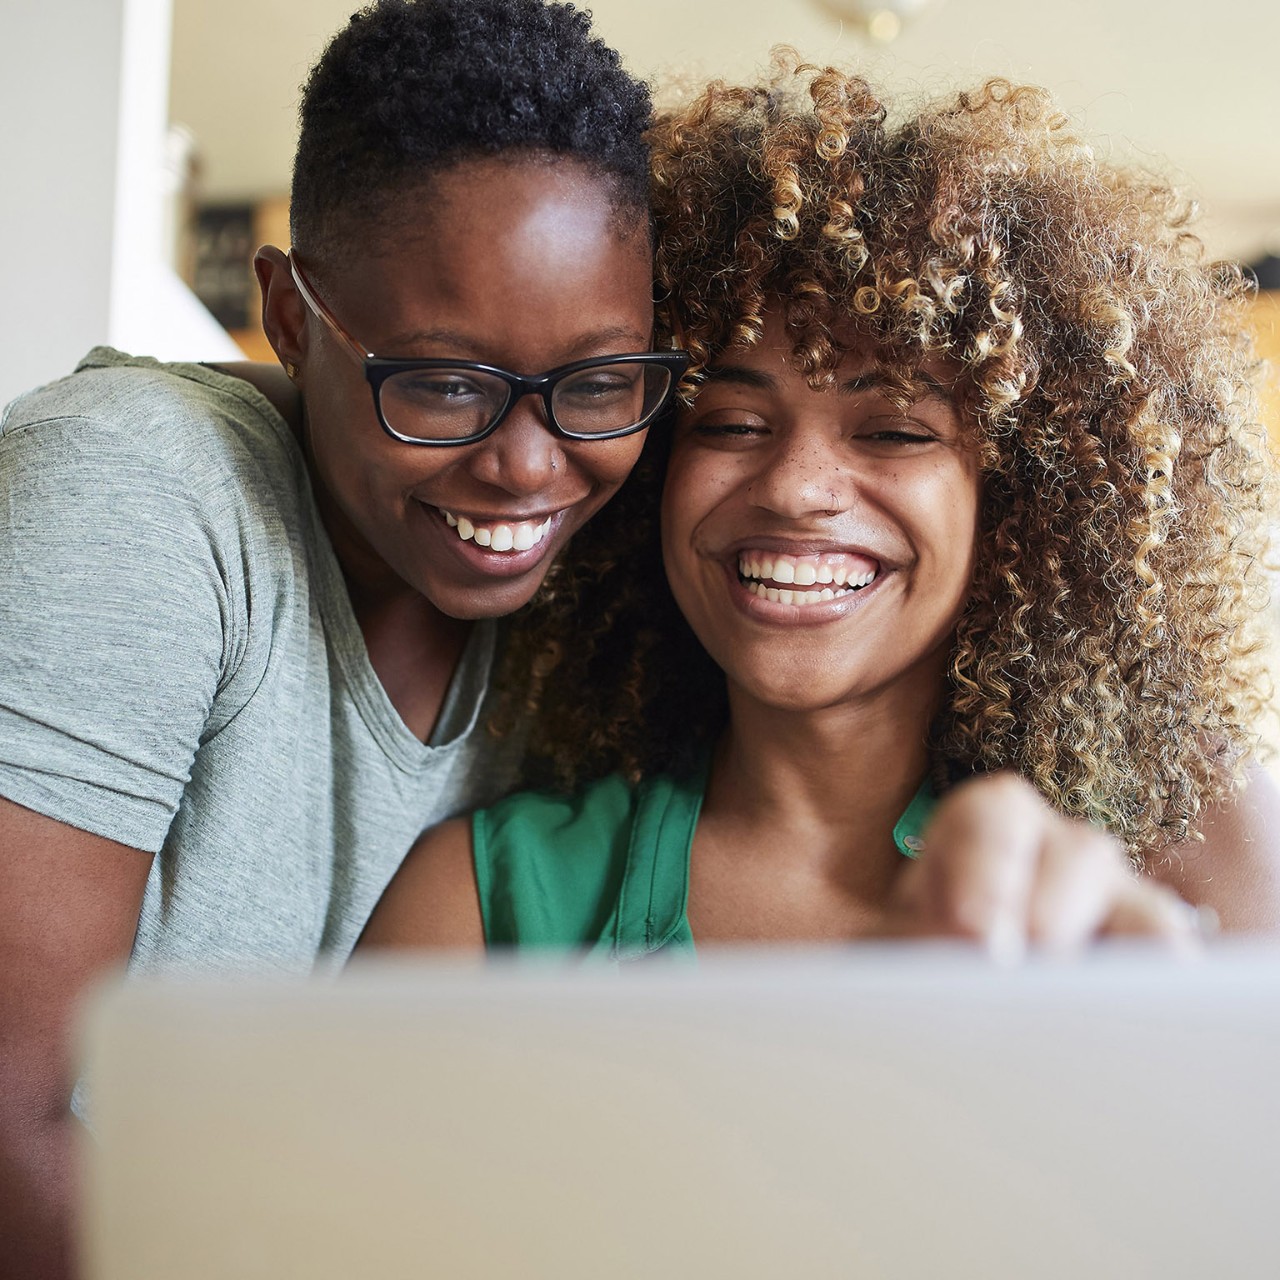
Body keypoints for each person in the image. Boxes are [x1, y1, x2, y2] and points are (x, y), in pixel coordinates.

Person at [0, 2, 681, 1274]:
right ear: (294, 317)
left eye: (593, 383)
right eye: (441, 383)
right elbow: (7, 1123)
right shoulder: (137, 493)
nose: (526, 468)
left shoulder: (589, 600)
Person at [360, 59, 1280, 958]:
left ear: (1020, 501)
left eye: (894, 432)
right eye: (729, 422)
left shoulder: (1185, 861)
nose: (796, 488)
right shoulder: (484, 904)